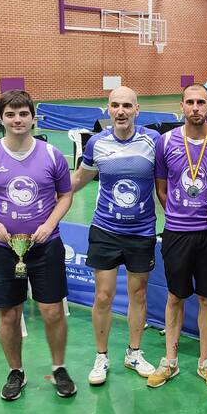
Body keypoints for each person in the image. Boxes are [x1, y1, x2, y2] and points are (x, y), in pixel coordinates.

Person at [0, 90, 76, 401]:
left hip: (46, 246)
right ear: (1, 119)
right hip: (3, 250)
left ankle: (59, 368)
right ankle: (16, 371)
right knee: (9, 314)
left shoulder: (51, 154)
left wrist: (49, 224)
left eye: (23, 114)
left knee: (52, 311)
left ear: (33, 118)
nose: (17, 120)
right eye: (11, 114)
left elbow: (66, 195)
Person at [150, 83, 207, 389]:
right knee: (174, 296)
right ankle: (170, 361)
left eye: (201, 102)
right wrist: (179, 216)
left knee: (206, 297)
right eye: (190, 102)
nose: (195, 108)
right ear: (182, 106)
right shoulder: (165, 142)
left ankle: (205, 362)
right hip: (176, 233)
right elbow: (162, 189)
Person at [71, 86, 160, 385]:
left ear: (137, 110)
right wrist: (49, 197)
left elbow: (167, 180)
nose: (121, 111)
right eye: (115, 105)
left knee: (138, 294)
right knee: (103, 295)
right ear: (108, 109)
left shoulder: (153, 141)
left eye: (127, 106)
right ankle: (101, 356)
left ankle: (134, 353)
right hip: (106, 230)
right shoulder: (96, 143)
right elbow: (80, 179)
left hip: (142, 230)